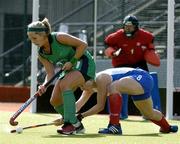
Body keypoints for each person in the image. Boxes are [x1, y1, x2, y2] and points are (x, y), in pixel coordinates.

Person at [27, 18, 96, 135]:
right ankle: (76, 124)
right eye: (30, 39)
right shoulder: (41, 53)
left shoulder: (59, 37)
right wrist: (44, 85)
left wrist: (73, 60)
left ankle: (71, 123)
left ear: (44, 35)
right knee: (55, 100)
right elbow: (50, 73)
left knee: (65, 84)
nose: (32, 41)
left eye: (34, 38)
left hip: (83, 63)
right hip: (69, 70)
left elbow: (83, 45)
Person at [76, 67, 178, 135]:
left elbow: (100, 106)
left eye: (81, 84)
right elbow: (78, 105)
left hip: (141, 77)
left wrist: (80, 116)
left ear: (89, 79)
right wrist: (67, 118)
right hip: (138, 81)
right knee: (148, 113)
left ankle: (114, 126)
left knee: (113, 86)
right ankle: (167, 127)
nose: (81, 88)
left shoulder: (100, 78)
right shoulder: (88, 88)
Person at [104, 15, 160, 119]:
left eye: (131, 26)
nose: (128, 29)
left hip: (139, 63)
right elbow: (107, 44)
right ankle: (120, 113)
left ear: (136, 27)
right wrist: (112, 51)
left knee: (145, 85)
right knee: (117, 86)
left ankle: (148, 112)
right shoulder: (116, 36)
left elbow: (150, 45)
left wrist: (151, 53)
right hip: (122, 64)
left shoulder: (146, 36)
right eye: (126, 26)